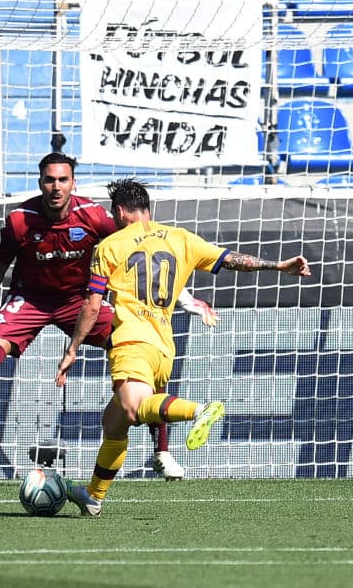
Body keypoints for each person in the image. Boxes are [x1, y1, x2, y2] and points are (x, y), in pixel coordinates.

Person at [0, 152, 218, 485]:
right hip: (30, 301)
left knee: (143, 343)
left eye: (63, 180)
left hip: (80, 303)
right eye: (50, 180)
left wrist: (183, 297)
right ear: (40, 183)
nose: (56, 187)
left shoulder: (93, 216)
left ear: (73, 183)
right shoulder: (20, 220)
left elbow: (142, 250)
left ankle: (162, 450)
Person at [56, 178, 312, 516]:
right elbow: (231, 259)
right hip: (164, 347)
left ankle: (198, 411)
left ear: (118, 212)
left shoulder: (109, 247)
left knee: (133, 407)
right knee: (114, 423)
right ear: (146, 208)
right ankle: (94, 496)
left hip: (132, 340)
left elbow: (92, 306)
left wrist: (72, 348)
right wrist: (277, 266)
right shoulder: (181, 238)